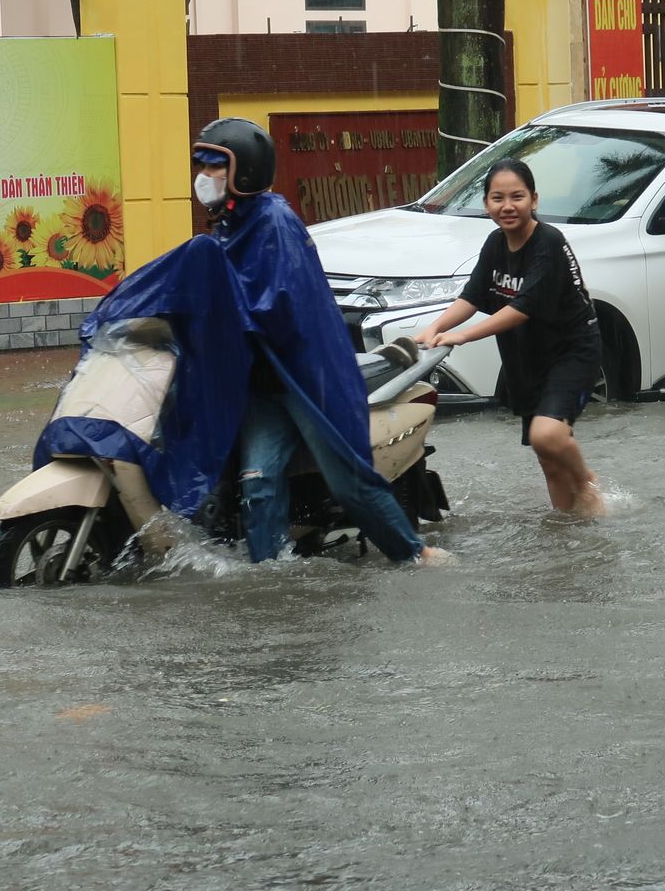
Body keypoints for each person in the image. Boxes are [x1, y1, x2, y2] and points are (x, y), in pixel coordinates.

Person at [192, 119, 447, 565]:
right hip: (263, 386)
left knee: (349, 481)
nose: (204, 177)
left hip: (305, 379)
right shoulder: (228, 225)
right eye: (202, 165)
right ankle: (270, 575)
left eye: (215, 166)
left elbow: (278, 302)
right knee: (257, 484)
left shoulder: (275, 222)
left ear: (244, 171)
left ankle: (414, 554)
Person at [417, 159, 606, 518]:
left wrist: (461, 337)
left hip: (572, 350)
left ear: (534, 200)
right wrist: (434, 329)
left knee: (546, 436)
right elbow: (472, 297)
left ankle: (585, 482)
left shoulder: (548, 242)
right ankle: (565, 528)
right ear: (486, 204)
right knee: (548, 458)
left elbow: (522, 308)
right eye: (497, 198)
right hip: (526, 355)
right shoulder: (495, 243)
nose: (507, 206)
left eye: (517, 196)